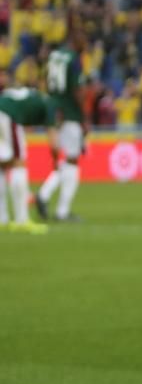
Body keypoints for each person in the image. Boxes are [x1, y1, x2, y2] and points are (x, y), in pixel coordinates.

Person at [35, 24, 88, 224]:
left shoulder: (55, 56)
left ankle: (47, 197)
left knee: (66, 161)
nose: (86, 44)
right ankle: (56, 206)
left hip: (55, 110)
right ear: (75, 39)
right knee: (72, 162)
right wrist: (84, 119)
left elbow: (47, 81)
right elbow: (78, 91)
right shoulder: (75, 60)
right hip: (70, 113)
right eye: (84, 39)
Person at [1, 78, 53, 236]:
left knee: (2, 166)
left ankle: (2, 219)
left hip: (3, 111)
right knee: (19, 163)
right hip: (8, 116)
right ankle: (21, 220)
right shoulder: (47, 105)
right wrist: (56, 158)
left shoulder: (28, 96)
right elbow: (52, 135)